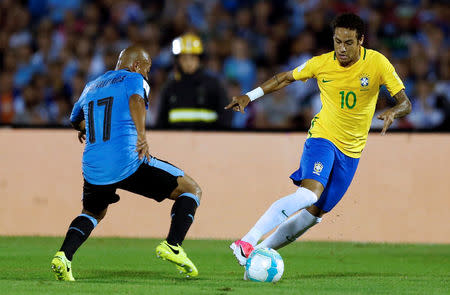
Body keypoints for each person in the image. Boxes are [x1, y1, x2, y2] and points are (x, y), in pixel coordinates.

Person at [225, 13, 412, 267]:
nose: (342, 48)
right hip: (323, 137)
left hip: (352, 151)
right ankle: (246, 241)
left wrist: (393, 111)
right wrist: (250, 96)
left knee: (314, 215)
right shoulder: (322, 63)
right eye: (337, 42)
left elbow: (405, 103)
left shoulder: (378, 63)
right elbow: (286, 77)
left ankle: (257, 253)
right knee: (309, 195)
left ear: (361, 41)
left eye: (348, 42)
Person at [51, 45, 202, 281]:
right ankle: (173, 245)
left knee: (92, 213)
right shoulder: (134, 78)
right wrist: (142, 136)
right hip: (128, 161)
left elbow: (75, 120)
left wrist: (87, 129)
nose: (147, 75)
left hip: (94, 166)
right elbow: (136, 101)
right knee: (191, 190)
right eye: (148, 69)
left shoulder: (92, 85)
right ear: (137, 65)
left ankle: (63, 256)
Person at [156, 33, 231, 129]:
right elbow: (161, 122)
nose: (188, 62)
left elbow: (226, 116)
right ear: (178, 61)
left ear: (199, 60)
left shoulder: (213, 85)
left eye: (192, 58)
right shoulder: (170, 88)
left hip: (207, 142)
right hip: (176, 143)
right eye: (184, 58)